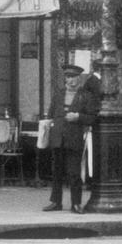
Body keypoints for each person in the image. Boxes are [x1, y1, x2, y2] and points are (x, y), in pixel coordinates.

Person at [42, 62, 101, 214]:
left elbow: (93, 117)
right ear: (65, 79)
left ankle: (76, 203)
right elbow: (51, 114)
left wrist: (78, 117)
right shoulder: (58, 94)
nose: (71, 80)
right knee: (56, 173)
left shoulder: (86, 96)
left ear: (79, 79)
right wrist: (47, 124)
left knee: (74, 173)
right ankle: (56, 202)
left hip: (74, 139)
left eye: (74, 77)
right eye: (68, 77)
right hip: (57, 138)